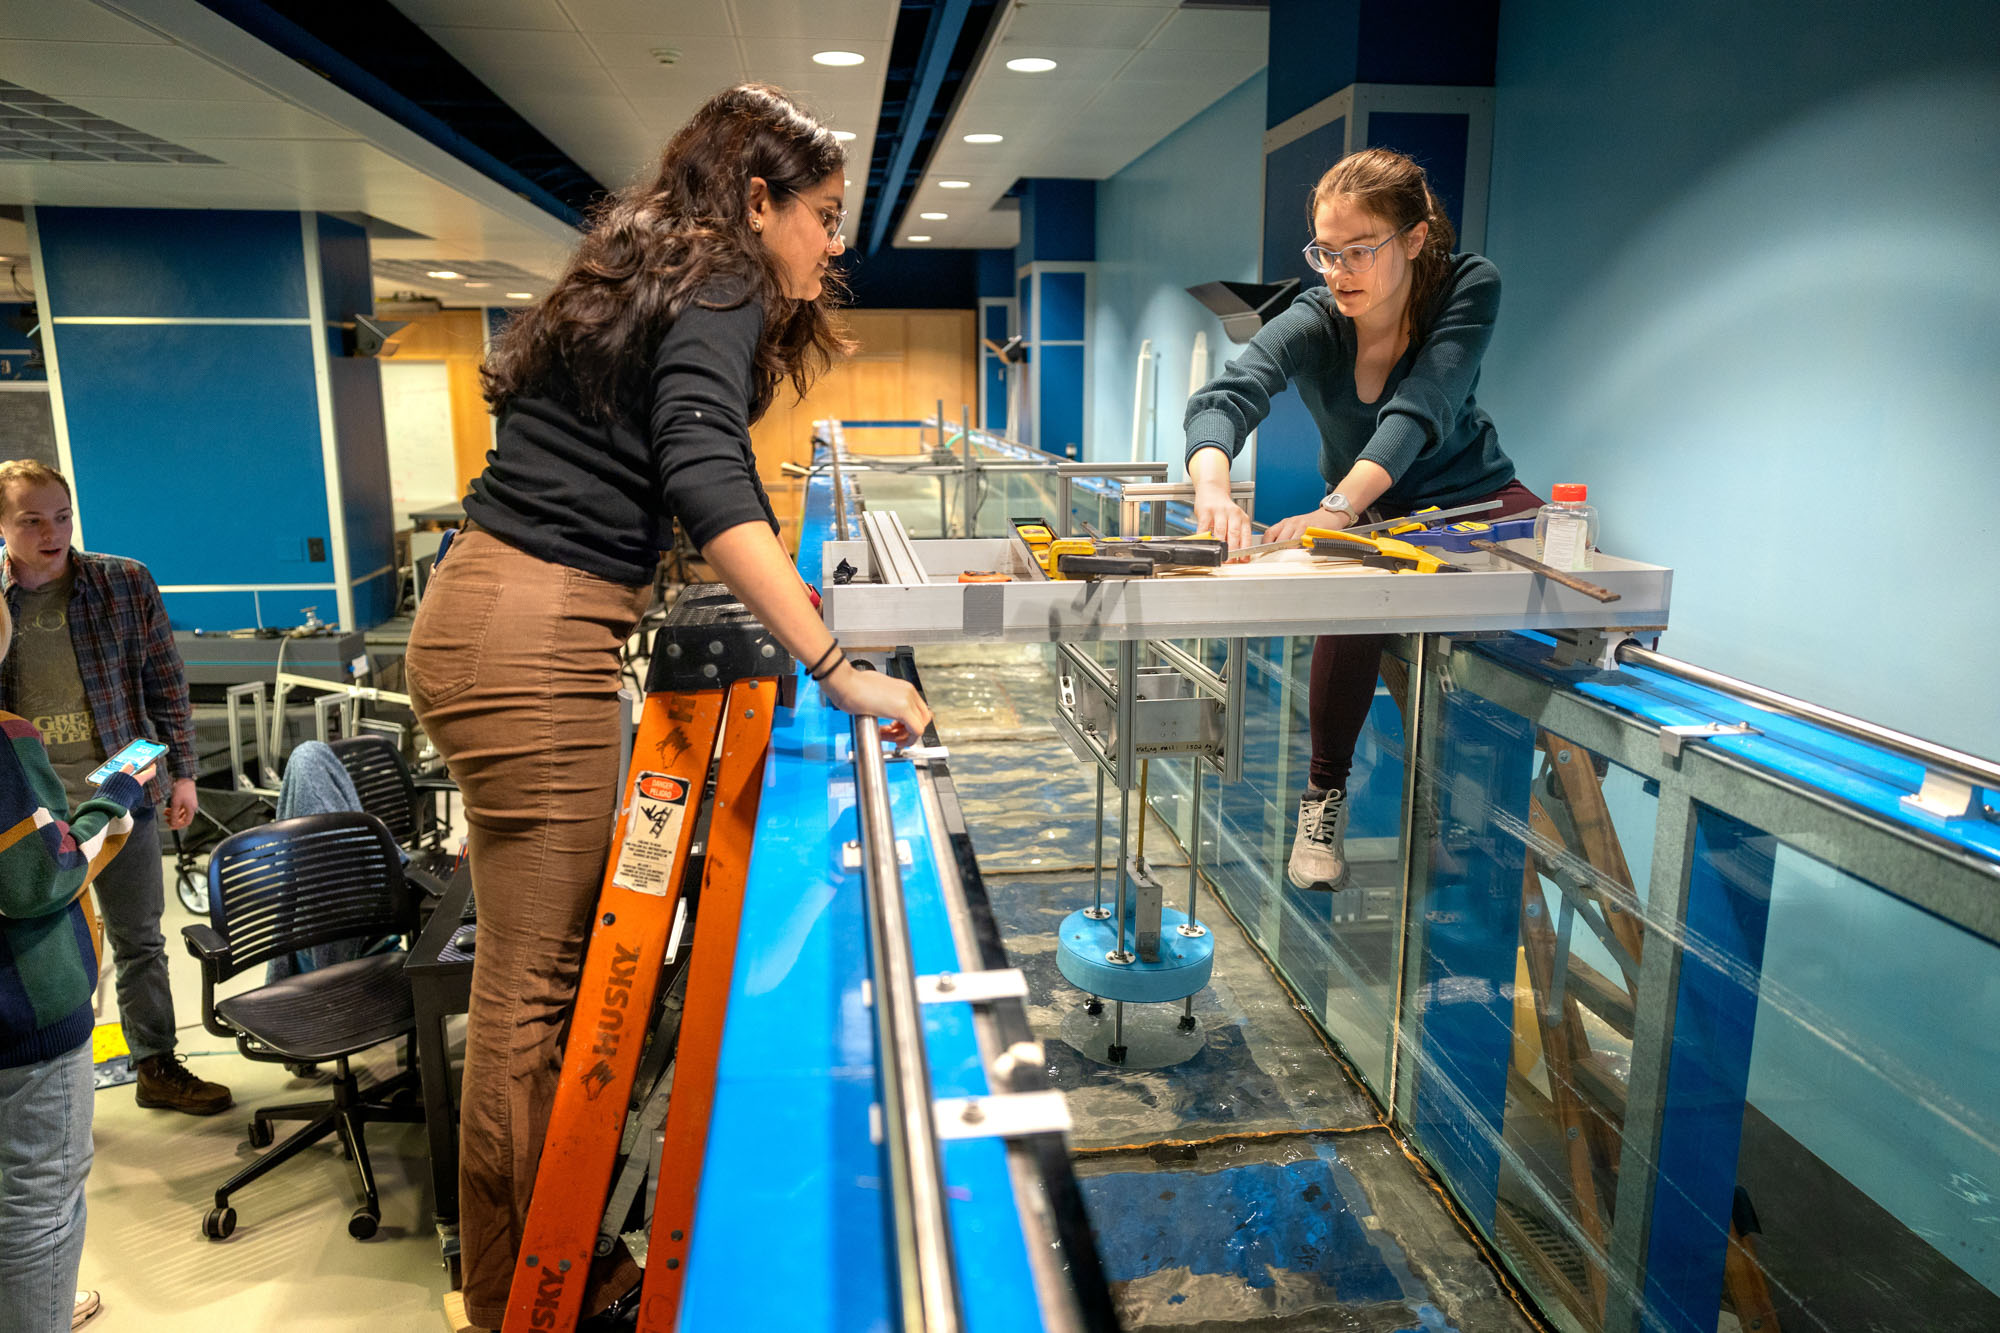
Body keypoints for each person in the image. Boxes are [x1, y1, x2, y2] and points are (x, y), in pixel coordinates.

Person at [405, 83, 931, 1329]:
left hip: (506, 620)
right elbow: (703, 471)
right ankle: (522, 1297)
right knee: (536, 995)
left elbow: (639, 473)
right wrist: (832, 662)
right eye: (819, 214)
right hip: (531, 640)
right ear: (756, 202)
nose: (831, 241)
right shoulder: (723, 281)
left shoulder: (664, 273)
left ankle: (541, 1265)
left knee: (552, 976)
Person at [1184, 148, 1544, 891]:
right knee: (1349, 607)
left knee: (1577, 571)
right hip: (1377, 509)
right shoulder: (1314, 315)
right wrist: (1213, 487)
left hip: (1471, 496)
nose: (1339, 271)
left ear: (1413, 239)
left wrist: (1333, 508)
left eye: (1359, 251)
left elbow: (1422, 411)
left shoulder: (1468, 285)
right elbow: (1230, 394)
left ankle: (1554, 761)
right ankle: (1323, 801)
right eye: (1325, 252)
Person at [0, 461, 230, 1114]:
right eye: (32, 520)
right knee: (47, 952)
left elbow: (166, 682)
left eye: (63, 517)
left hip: (120, 792)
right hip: (35, 809)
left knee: (140, 939)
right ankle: (51, 1088)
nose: (53, 533)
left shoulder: (122, 582)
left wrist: (182, 771)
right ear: (2, 526)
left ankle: (156, 1063)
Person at [0, 583, 148, 1333]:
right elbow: (40, 876)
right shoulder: (4, 737)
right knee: (38, 1205)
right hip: (22, 1018)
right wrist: (111, 798)